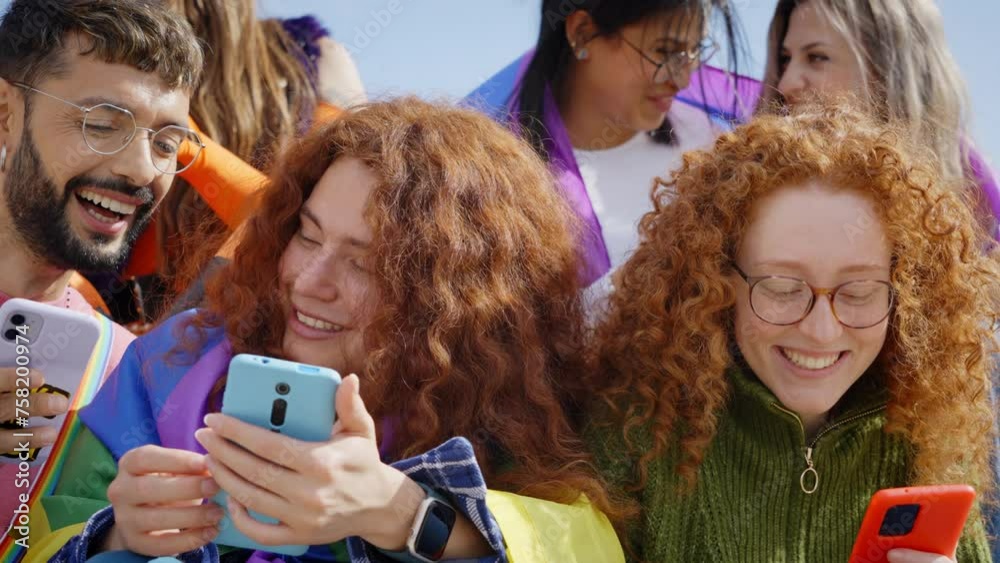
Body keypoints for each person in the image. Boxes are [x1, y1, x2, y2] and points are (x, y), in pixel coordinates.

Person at [33, 99, 623, 563]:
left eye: (365, 263)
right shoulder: (171, 361)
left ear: (456, 303)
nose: (311, 280)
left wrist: (398, 512)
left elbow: (587, 548)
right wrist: (114, 538)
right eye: (308, 236)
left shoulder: (502, 413)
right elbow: (39, 538)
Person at [588, 101, 997, 562]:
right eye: (782, 288)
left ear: (905, 291)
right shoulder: (631, 440)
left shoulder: (930, 443)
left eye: (859, 291)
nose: (822, 331)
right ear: (716, 282)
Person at [0, 0, 203, 546]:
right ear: (4, 114)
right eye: (102, 123)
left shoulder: (127, 372)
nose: (142, 169)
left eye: (166, 143)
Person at [91, 0, 366, 328]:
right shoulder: (100, 48)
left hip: (261, 329)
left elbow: (332, 210)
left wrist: (184, 143)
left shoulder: (312, 60)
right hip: (112, 325)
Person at [467, 0, 743, 306]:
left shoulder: (718, 147)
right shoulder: (495, 180)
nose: (683, 79)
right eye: (664, 52)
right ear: (583, 34)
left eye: (694, 52)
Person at [757, 0, 1000, 239]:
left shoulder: (977, 234)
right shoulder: (745, 210)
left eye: (817, 57)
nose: (785, 84)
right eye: (785, 59)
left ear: (886, 74)